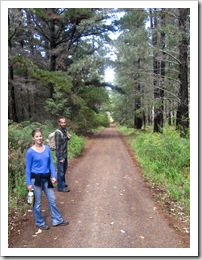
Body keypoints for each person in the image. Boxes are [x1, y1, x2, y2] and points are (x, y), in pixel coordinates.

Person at [26, 128, 69, 230]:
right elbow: (28, 168)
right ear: (33, 138)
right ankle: (39, 222)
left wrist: (53, 176)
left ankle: (57, 220)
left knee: (52, 200)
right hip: (35, 180)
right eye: (36, 136)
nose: (39, 138)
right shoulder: (30, 152)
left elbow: (50, 163)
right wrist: (28, 183)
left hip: (46, 178)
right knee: (37, 203)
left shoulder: (47, 148)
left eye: (40, 136)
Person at [55, 117, 71, 192]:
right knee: (60, 171)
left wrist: (67, 138)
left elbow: (63, 141)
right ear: (59, 123)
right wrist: (61, 157)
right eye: (62, 122)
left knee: (64, 170)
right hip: (61, 155)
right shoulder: (58, 132)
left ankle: (62, 183)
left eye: (64, 122)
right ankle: (60, 187)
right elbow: (58, 146)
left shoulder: (64, 130)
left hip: (65, 154)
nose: (63, 124)